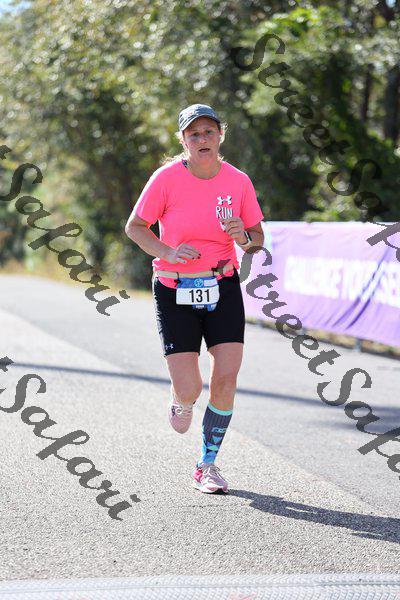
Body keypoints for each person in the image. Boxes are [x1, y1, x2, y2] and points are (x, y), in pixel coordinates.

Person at [125, 103, 264, 493]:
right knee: (191, 388)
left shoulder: (238, 181)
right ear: (183, 140)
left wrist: (244, 238)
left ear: (221, 135)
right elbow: (135, 227)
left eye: (208, 132)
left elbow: (257, 239)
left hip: (223, 285)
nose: (202, 139)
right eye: (194, 134)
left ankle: (207, 464)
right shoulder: (166, 178)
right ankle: (181, 398)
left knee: (227, 376)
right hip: (174, 288)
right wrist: (167, 252)